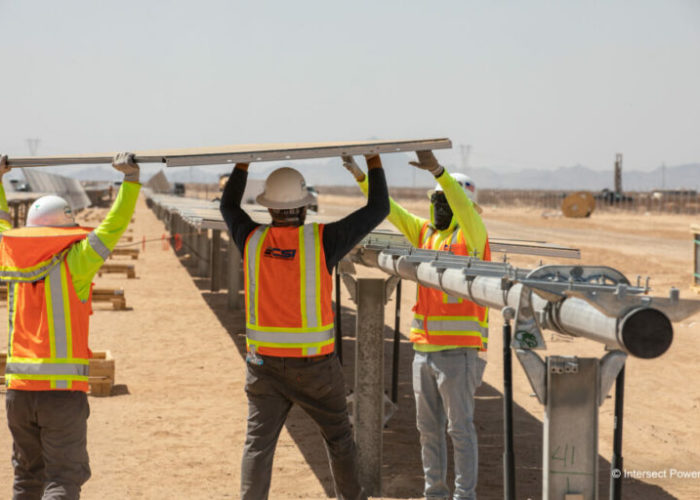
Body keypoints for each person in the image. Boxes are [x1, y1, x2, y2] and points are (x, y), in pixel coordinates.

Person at [220, 156, 389, 500]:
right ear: (303, 206)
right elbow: (378, 208)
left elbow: (228, 205)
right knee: (339, 440)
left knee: (258, 446)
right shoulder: (323, 240)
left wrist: (241, 166)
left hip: (263, 366)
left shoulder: (251, 239)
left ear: (269, 208)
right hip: (316, 369)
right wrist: (373, 161)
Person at [344, 151, 489, 500]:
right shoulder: (424, 232)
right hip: (423, 350)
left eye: (446, 199)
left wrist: (440, 173)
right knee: (428, 430)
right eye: (436, 200)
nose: (440, 205)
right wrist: (362, 177)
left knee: (459, 430)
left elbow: (464, 209)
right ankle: (434, 494)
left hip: (458, 353)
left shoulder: (472, 237)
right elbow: (390, 210)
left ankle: (463, 495)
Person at [0, 153, 141, 499]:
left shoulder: (12, 257)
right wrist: (131, 180)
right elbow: (112, 227)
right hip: (61, 394)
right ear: (66, 228)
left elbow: (2, 223)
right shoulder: (76, 262)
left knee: (27, 479)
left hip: (18, 391)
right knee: (62, 479)